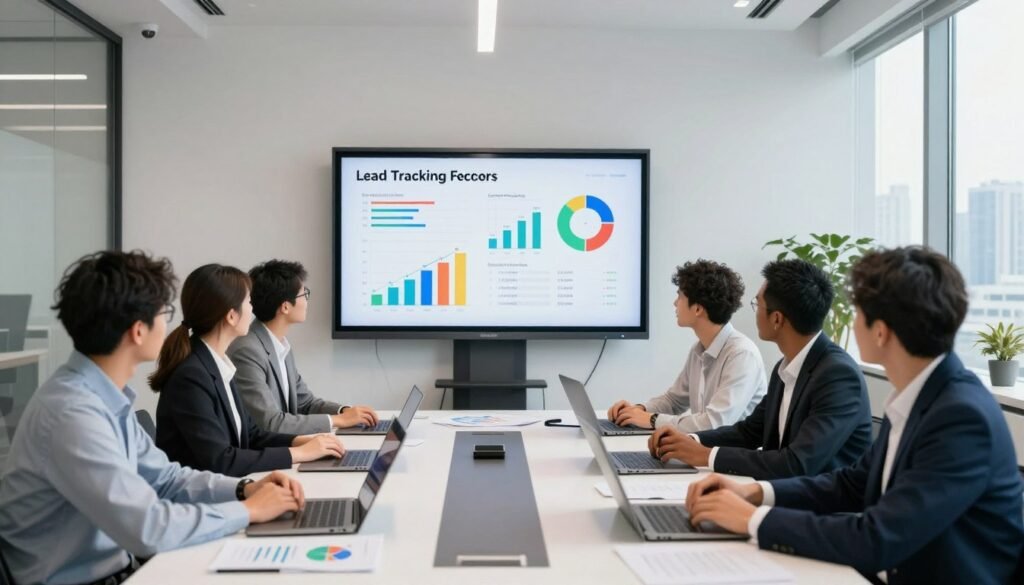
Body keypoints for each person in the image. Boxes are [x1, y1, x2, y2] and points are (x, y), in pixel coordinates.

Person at [684, 246, 1024, 584]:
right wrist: (755, 494)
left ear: (881, 331)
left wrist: (753, 520)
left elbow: (878, 538)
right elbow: (851, 484)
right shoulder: (918, 395)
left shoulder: (961, 417)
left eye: (858, 312)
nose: (847, 321)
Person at [0, 251, 306, 585]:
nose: (170, 323)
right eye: (164, 312)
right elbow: (148, 528)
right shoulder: (72, 414)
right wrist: (249, 511)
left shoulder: (101, 398)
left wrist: (245, 489)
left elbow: (166, 479)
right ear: (138, 331)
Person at [648, 258, 872, 480]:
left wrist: (706, 455)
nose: (754, 312)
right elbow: (749, 432)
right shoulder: (785, 369)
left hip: (820, 508)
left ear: (776, 319)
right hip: (785, 493)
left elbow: (797, 463)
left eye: (757, 304)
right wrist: (691, 441)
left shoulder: (838, 376)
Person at [151, 263, 345, 476]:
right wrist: (298, 454)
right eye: (248, 302)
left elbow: (251, 435)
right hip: (203, 501)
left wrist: (301, 441)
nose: (253, 309)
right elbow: (221, 460)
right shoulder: (191, 376)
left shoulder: (217, 363)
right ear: (231, 316)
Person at [607, 259, 767, 432]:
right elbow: (674, 401)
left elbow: (715, 423)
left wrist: (652, 420)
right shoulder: (699, 350)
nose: (675, 303)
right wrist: (639, 410)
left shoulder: (742, 355)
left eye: (680, 296)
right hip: (702, 449)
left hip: (728, 456)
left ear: (698, 309)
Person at [228, 260, 378, 434]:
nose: (306, 300)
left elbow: (305, 403)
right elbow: (270, 423)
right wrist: (339, 421)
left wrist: (344, 411)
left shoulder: (280, 345)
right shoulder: (247, 351)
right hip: (267, 455)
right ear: (285, 306)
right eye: (303, 294)